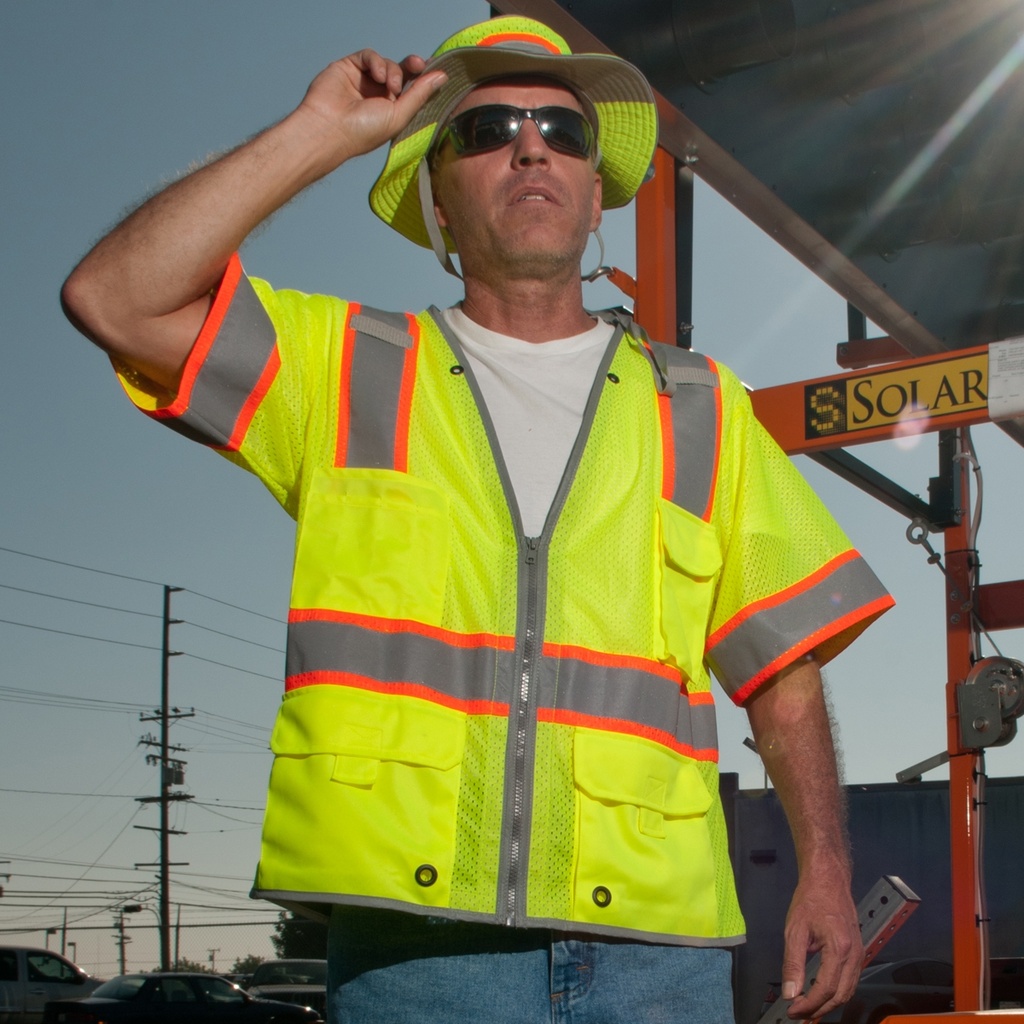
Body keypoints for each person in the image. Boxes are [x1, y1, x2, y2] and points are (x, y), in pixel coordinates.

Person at [62, 14, 894, 1023]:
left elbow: (784, 672)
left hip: (656, 955)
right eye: (484, 128)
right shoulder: (343, 368)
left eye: (563, 131)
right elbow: (116, 298)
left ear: (595, 204)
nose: (530, 144)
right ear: (439, 205)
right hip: (415, 959)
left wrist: (822, 873)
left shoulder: (703, 407)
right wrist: (320, 133)